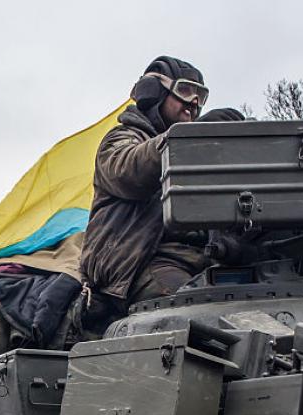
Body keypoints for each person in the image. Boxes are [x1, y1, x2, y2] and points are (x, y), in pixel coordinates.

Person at [80, 56, 245, 326]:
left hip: (200, 262)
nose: (194, 103)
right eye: (185, 91)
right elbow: (129, 170)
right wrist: (187, 139)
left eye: (201, 96)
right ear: (154, 93)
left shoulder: (196, 154)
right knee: (200, 313)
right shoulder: (121, 139)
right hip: (139, 266)